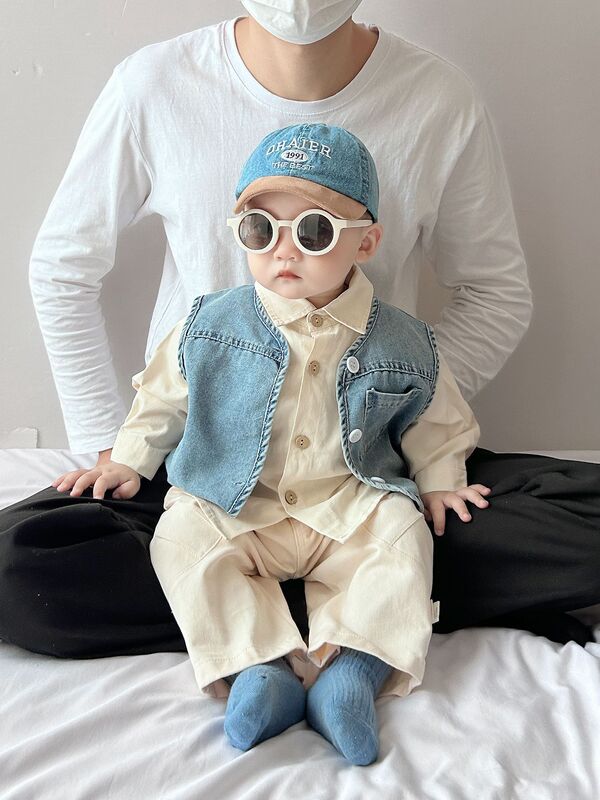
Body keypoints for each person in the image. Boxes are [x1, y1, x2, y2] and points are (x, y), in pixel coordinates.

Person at [1, 2, 598, 662]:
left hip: (369, 478)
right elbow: (62, 268)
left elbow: (496, 292)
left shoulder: (439, 99)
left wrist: (394, 407)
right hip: (202, 473)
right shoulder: (154, 83)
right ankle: (361, 600)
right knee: (14, 567)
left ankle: (305, 588)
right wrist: (111, 452)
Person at [51, 122, 491, 764]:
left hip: (347, 506)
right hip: (238, 505)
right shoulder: (209, 325)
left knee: (403, 537)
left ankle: (353, 671)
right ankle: (261, 667)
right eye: (261, 230)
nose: (284, 251)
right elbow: (162, 399)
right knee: (180, 538)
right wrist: (129, 459)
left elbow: (435, 420)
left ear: (366, 241)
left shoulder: (404, 340)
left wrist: (441, 480)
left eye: (313, 232)